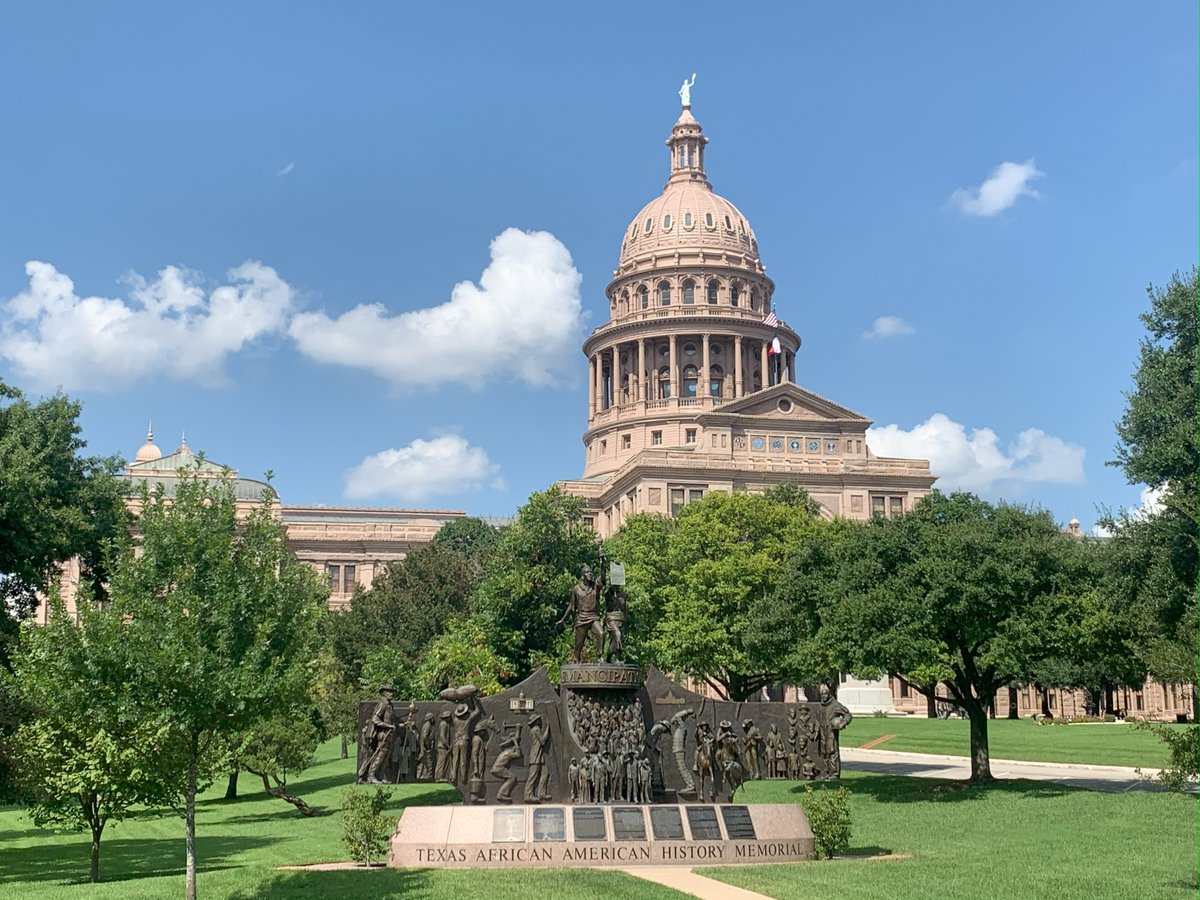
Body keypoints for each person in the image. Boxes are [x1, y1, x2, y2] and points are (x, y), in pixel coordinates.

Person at [557, 565, 604, 663]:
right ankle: (576, 660)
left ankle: (598, 657)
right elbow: (571, 606)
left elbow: (603, 577)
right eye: (587, 572)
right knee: (578, 645)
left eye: (591, 572)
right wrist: (563, 619)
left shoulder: (595, 586)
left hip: (593, 617)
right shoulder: (576, 589)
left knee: (600, 633)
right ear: (582, 575)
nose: (590, 574)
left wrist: (602, 562)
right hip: (581, 618)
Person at [357, 686, 396, 783]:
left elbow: (391, 722)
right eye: (389, 692)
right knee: (380, 756)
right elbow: (375, 719)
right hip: (383, 735)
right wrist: (388, 726)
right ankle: (371, 775)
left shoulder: (390, 705)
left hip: (389, 734)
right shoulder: (382, 704)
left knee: (386, 758)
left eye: (392, 692)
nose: (391, 694)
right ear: (384, 693)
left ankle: (381, 775)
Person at [604, 585, 627, 663]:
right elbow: (606, 599)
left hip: (620, 618)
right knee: (617, 634)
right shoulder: (608, 594)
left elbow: (624, 609)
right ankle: (618, 657)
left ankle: (608, 656)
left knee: (615, 640)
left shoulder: (622, 595)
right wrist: (611, 589)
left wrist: (625, 620)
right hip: (611, 618)